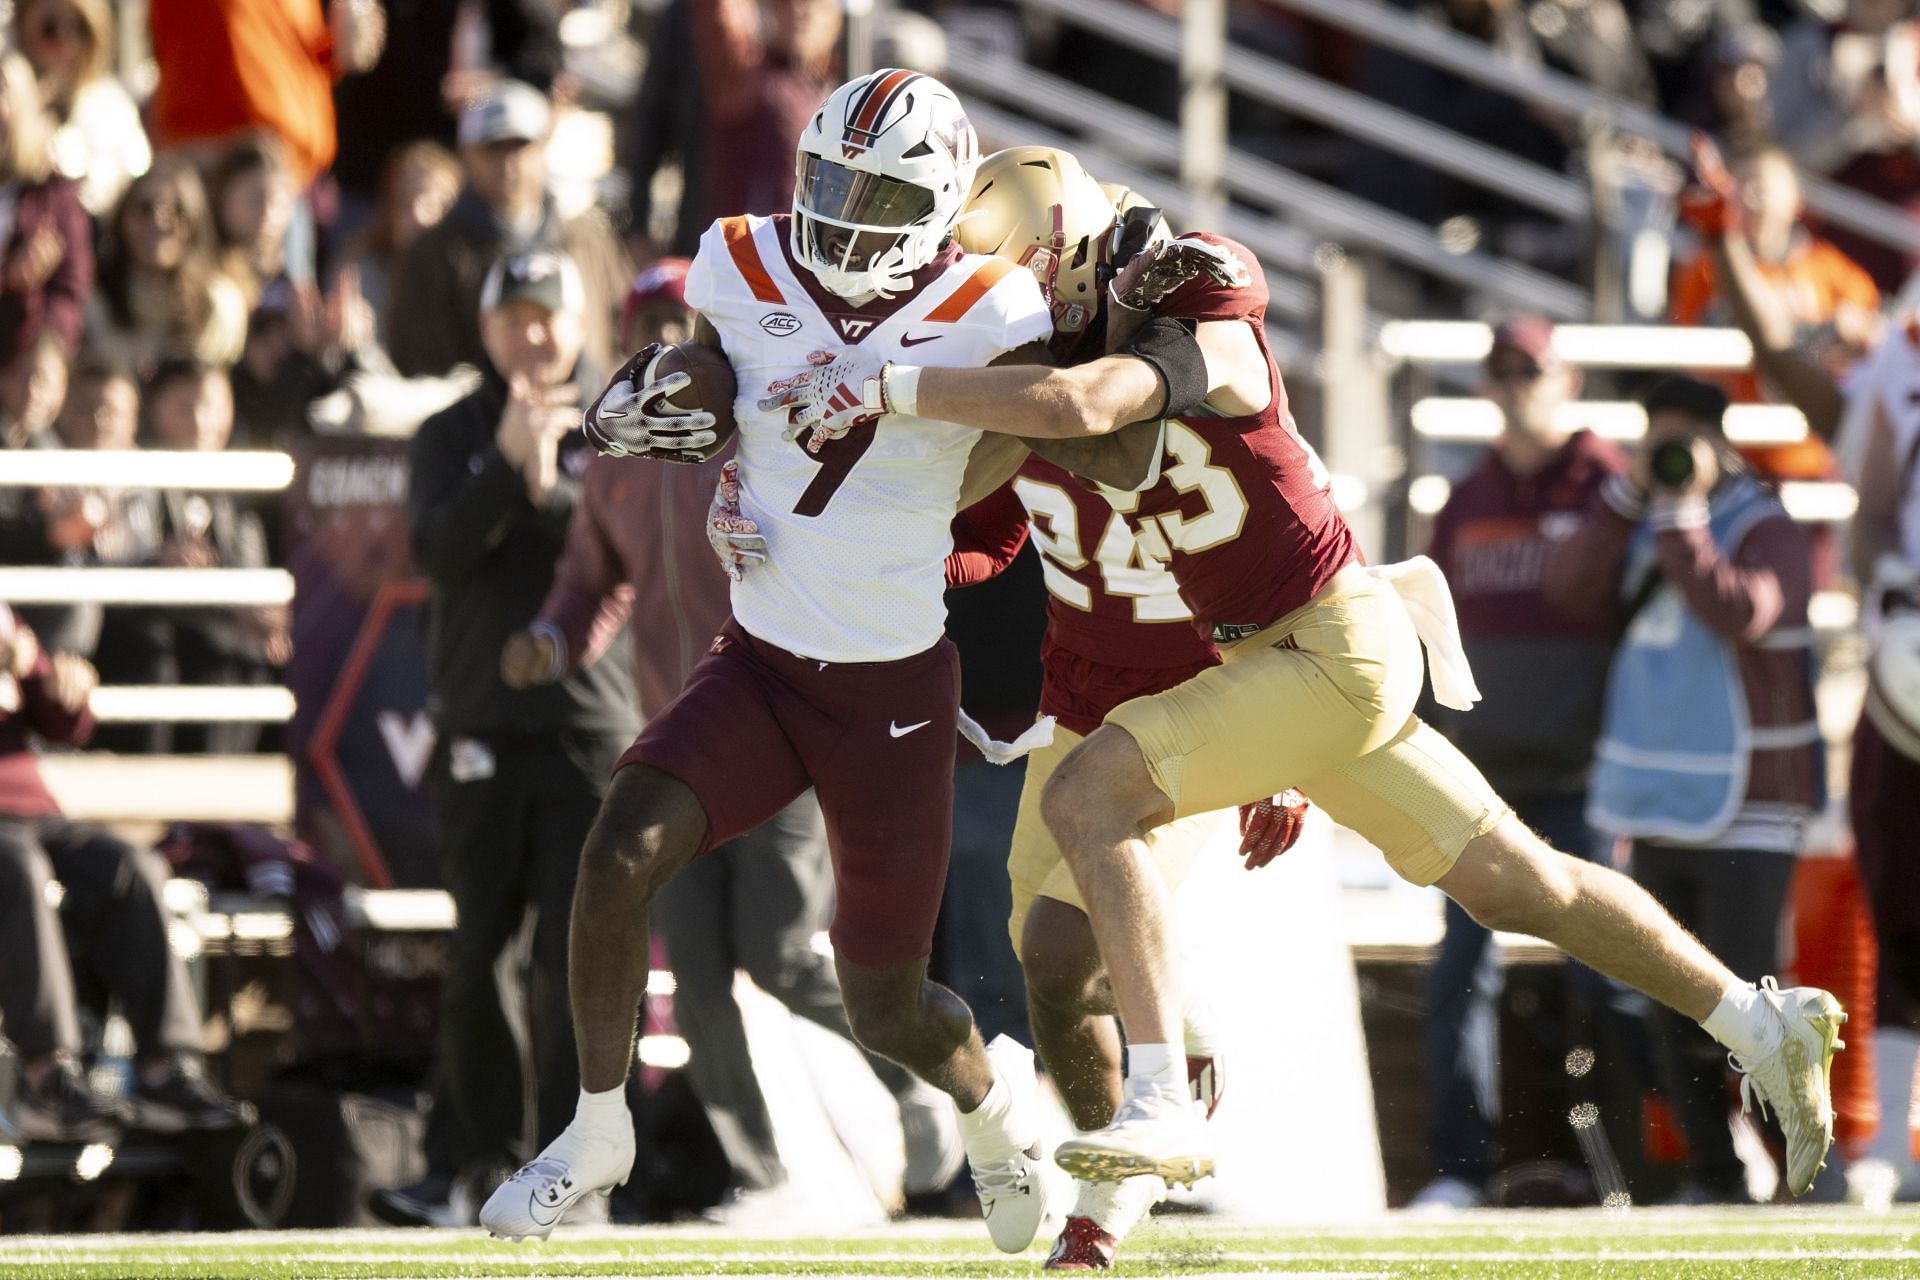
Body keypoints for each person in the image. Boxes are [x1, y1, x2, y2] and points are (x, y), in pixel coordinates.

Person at [769, 230, 1847, 1200]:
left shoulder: (1204, 358)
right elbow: (1003, 472)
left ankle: (1163, 1089)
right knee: (1528, 884)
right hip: (1285, 669)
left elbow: (1080, 414)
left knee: (1094, 793)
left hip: (1325, 660)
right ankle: (1757, 1017)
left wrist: (888, 383)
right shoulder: (1094, 381)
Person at [479, 70, 1159, 1250]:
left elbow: (1068, 438)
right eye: (829, 179)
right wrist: (677, 416)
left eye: (874, 190)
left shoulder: (997, 309)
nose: (841, 209)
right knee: (616, 854)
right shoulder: (740, 259)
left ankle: (994, 1112)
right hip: (760, 658)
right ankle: (597, 1130)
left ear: (939, 200)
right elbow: (712, 375)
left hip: (892, 685)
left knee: (883, 1000)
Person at [500, 262, 964, 1221]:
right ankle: (762, 1178)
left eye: (686, 320)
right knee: (701, 980)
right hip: (684, 738)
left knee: (784, 950)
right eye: (653, 323)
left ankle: (921, 1079)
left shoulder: (766, 435)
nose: (673, 339)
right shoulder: (618, 463)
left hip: (784, 720)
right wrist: (552, 637)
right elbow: (594, 584)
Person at [921, 147, 1303, 1267]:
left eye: (1025, 285)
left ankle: (1121, 1193)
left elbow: (1291, 530)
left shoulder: (1174, 339)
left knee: (1069, 914)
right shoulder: (1022, 372)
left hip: (1209, 680)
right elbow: (978, 532)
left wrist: (1284, 727)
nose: (1013, 312)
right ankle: (1138, 1135)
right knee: (1042, 956)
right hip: (1082, 687)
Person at [1541, 375, 1820, 1202]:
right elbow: (1568, 587)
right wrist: (1628, 495)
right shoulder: (1632, 515)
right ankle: (1715, 1176)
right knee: (1676, 1002)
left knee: (1757, 1004)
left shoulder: (1763, 524)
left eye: (1683, 440)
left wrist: (1684, 515)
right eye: (1656, 436)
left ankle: (1802, 1172)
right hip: (1656, 799)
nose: (1669, 455)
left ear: (1719, 442)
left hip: (1751, 806)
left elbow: (1742, 610)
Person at [408, 250, 639, 1219]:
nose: (533, 334)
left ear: (578, 320)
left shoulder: (623, 416)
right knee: (479, 955)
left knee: (572, 955)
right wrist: (506, 464)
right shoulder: (448, 430)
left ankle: (570, 1165)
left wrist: (534, 488)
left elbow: (618, 546)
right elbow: (437, 549)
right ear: (489, 326)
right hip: (479, 725)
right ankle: (489, 1158)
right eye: (516, 317)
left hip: (587, 725)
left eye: (549, 316)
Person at [1412, 316, 1626, 1208]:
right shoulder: (1467, 496)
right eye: (1499, 371)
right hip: (1485, 780)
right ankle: (1459, 1171)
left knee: (1607, 978)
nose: (1514, 385)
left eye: (1529, 368)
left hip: (1590, 780)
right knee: (1461, 973)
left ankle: (1626, 1166)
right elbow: (1422, 628)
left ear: (1565, 376)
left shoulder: (1612, 485)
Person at [0, 604, 253, 1139]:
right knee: (20, 868)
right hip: (11, 845)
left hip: (30, 811)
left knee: (134, 866)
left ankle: (166, 1069)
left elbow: (66, 724)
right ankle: (47, 1076)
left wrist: (52, 681)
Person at [387, 82, 628, 386]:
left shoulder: (588, 238)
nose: (508, 161)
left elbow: (625, 329)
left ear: (543, 147)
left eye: (520, 145)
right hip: (477, 427)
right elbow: (418, 359)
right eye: (493, 147)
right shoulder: (433, 253)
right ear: (465, 153)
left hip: (590, 418)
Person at [88, 157, 249, 373]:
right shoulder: (93, 301)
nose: (158, 222)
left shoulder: (219, 305)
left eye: (177, 210)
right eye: (145, 209)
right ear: (122, 218)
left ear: (195, 222)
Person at [13, 0, 149, 216]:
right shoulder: (7, 102)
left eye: (79, 27)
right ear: (22, 24)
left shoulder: (111, 107)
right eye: (50, 28)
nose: (65, 39)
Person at [0, 51, 91, 367]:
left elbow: (70, 294)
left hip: (25, 374)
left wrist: (43, 356)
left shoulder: (55, 200)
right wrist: (9, 279)